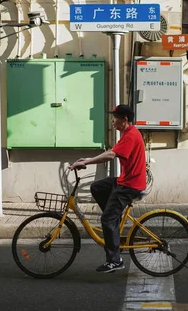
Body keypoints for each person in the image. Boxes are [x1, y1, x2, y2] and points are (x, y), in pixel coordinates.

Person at [69, 104, 146, 273]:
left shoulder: (131, 136)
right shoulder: (127, 133)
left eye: (115, 117)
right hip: (125, 180)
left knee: (106, 220)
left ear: (124, 119)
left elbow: (111, 155)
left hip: (130, 185)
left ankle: (115, 260)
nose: (112, 120)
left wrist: (86, 163)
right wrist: (87, 158)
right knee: (97, 187)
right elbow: (112, 152)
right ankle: (113, 218)